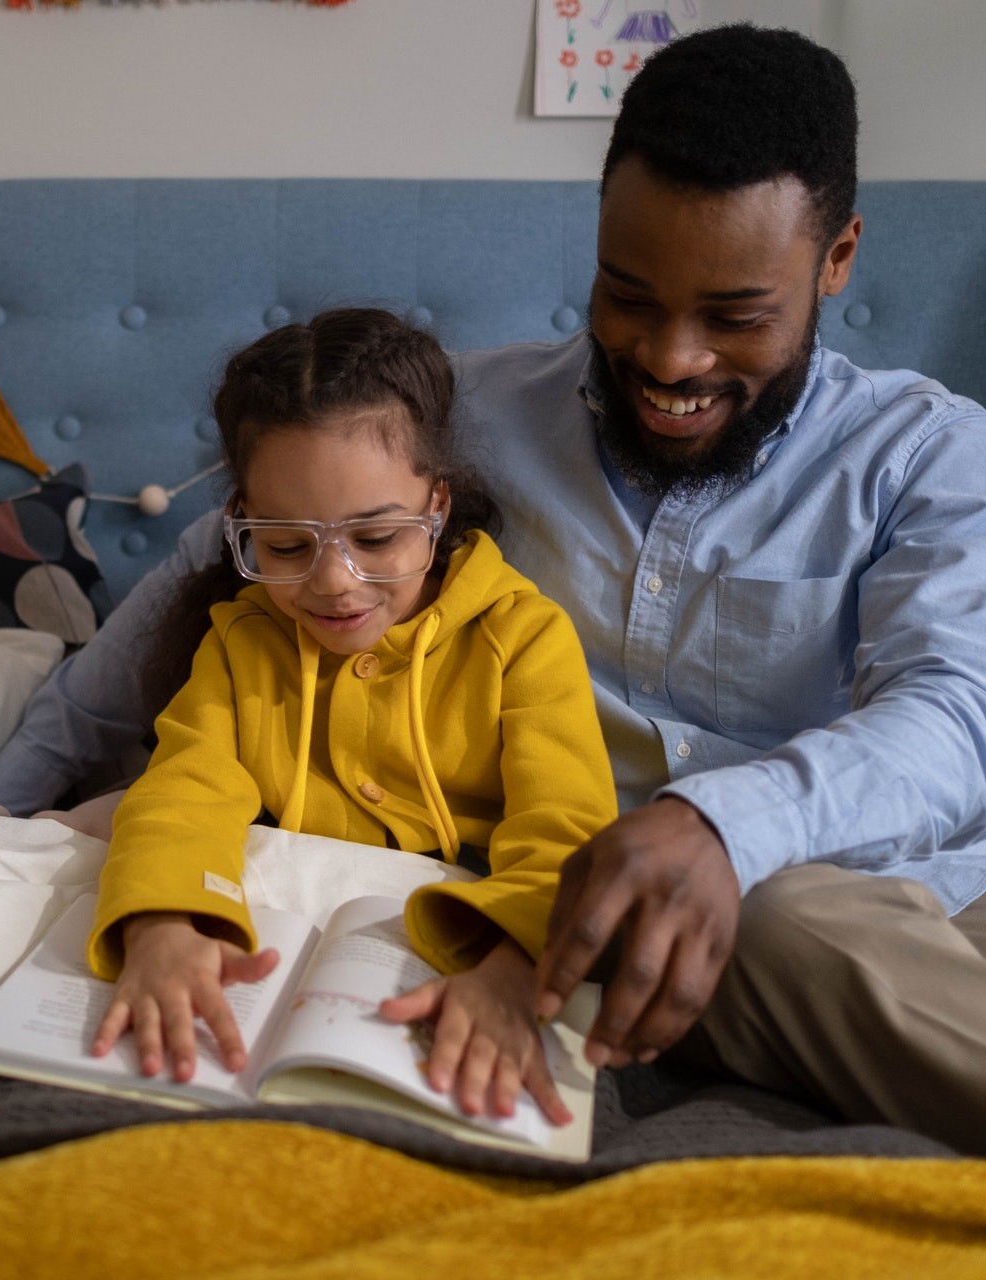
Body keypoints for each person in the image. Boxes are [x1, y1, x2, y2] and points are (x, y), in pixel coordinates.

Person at [0, 25, 986, 1199]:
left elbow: (972, 724)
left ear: (836, 260)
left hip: (937, 879)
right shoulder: (467, 421)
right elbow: (232, 551)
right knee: (780, 921)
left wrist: (720, 822)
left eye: (735, 315)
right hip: (705, 922)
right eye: (628, 294)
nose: (670, 356)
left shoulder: (927, 451)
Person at [83, 308, 617, 1124]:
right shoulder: (242, 643)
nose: (334, 583)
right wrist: (160, 923)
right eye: (288, 546)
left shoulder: (524, 636)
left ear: (437, 506)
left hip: (457, 946)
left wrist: (516, 967)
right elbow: (182, 790)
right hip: (283, 945)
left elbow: (568, 831)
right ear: (240, 523)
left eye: (376, 537)